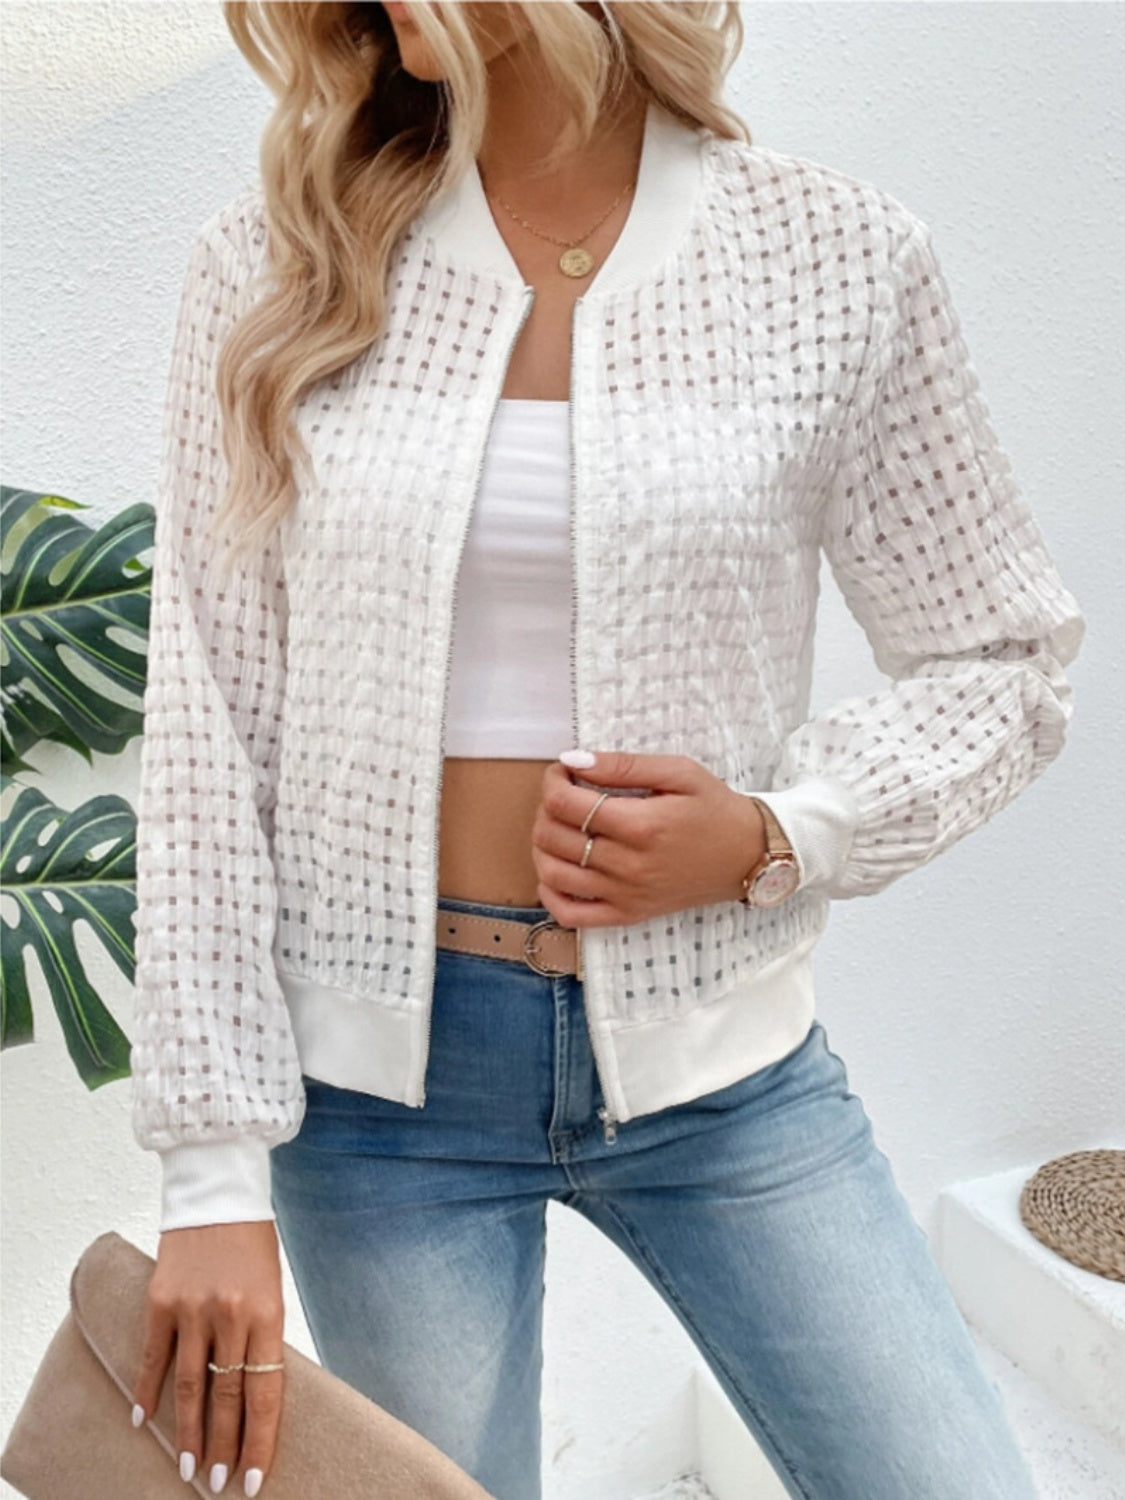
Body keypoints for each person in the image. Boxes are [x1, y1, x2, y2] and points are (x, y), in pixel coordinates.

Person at [128, 3, 1084, 1497]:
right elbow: (207, 736)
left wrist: (776, 831)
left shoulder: (832, 257)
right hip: (378, 1109)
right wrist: (210, 1178)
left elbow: (1003, 657)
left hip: (726, 1073)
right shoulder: (277, 264)